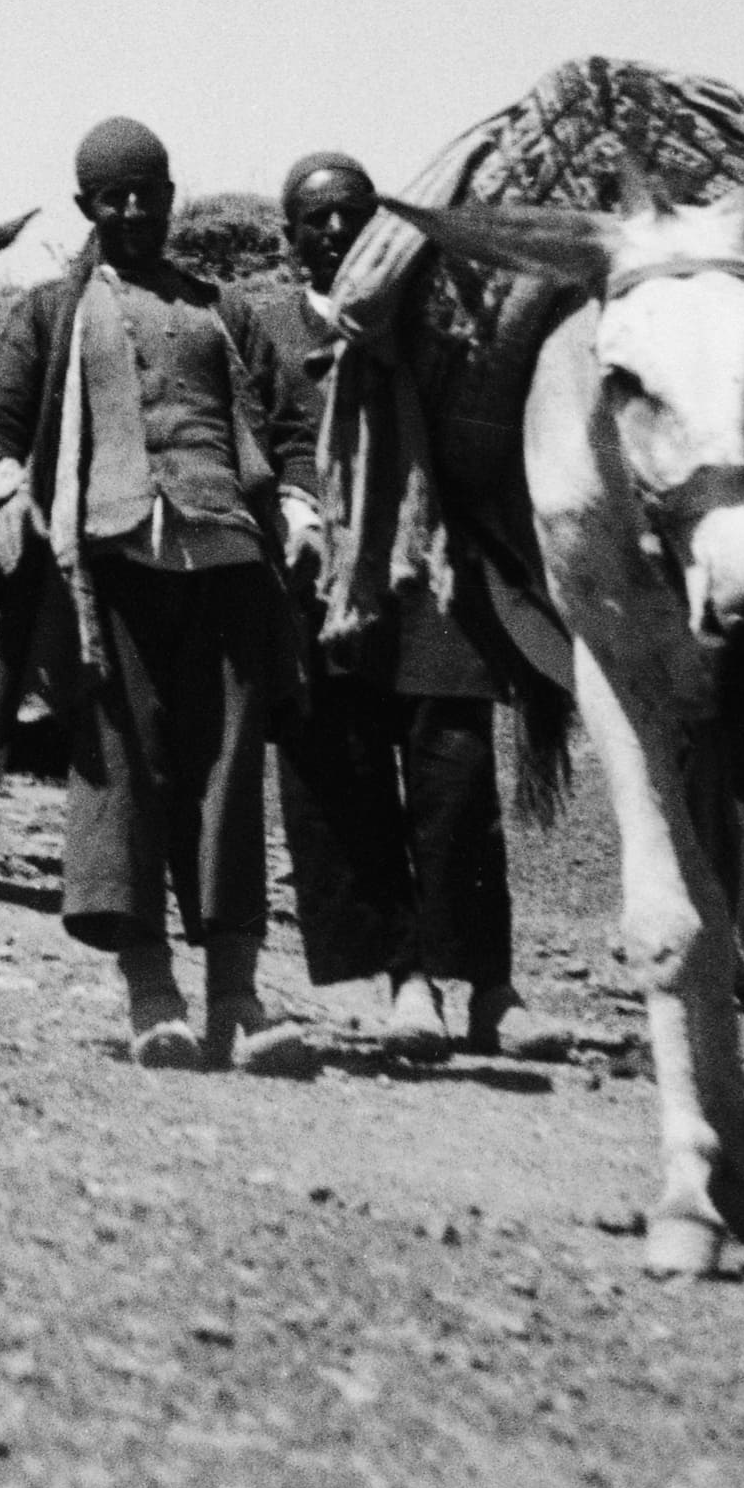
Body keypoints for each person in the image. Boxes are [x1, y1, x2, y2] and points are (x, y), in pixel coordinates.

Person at [0, 118, 310, 1072]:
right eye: (110, 197)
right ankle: (151, 995)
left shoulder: (222, 309)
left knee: (228, 775)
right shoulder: (49, 312)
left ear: (169, 196)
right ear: (86, 207)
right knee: (122, 776)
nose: (129, 211)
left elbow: (290, 426)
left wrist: (300, 499)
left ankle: (235, 1000)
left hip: (227, 565)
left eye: (145, 192)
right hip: (103, 570)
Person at [261, 152, 568, 1059]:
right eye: (312, 218)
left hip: (429, 573)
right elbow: (248, 428)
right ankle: (404, 982)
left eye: (350, 213)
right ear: (289, 240)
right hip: (322, 589)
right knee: (347, 782)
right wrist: (286, 503)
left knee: (454, 777)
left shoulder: (432, 326)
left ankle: (491, 989)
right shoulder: (266, 326)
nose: (332, 230)